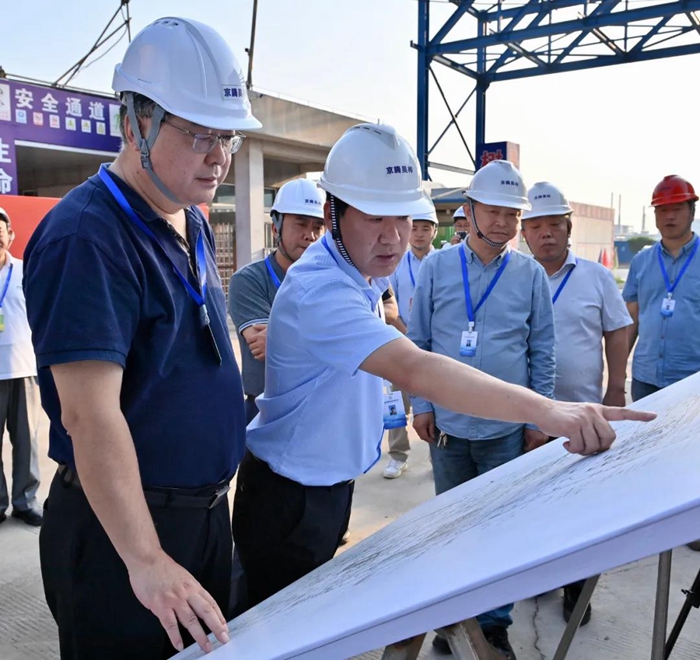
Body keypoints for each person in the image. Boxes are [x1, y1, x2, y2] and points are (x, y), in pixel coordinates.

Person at [230, 123, 654, 643]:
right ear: (332, 212)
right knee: (279, 637)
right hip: (290, 500)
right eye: (374, 216)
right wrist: (548, 410)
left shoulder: (357, 269)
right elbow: (417, 366)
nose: (392, 235)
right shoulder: (322, 290)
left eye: (402, 216)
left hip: (321, 487)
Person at [23, 17, 259, 659]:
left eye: (228, 137)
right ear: (134, 125)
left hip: (200, 518)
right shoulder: (88, 237)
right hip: (125, 535)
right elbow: (89, 415)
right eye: (200, 134)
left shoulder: (190, 220)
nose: (219, 156)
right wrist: (147, 559)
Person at [408, 160, 556, 659]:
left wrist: (538, 417)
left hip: (505, 432)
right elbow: (419, 342)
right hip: (447, 430)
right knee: (451, 529)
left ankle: (493, 625)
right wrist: (422, 404)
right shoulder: (437, 267)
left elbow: (542, 350)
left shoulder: (530, 275)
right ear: (469, 211)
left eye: (512, 214)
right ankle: (453, 620)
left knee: (499, 532)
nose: (503, 222)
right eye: (493, 211)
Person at [521, 181, 632, 625]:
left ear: (569, 229)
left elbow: (617, 330)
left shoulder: (595, 277)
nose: (546, 234)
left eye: (554, 225)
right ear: (524, 233)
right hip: (527, 414)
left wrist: (616, 387)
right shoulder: (514, 277)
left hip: (581, 416)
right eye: (536, 226)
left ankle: (576, 592)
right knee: (532, 503)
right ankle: (540, 573)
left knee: (580, 510)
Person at [623, 174, 700, 551]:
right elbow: (631, 319)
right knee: (648, 453)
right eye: (662, 210)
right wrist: (616, 376)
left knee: (692, 457)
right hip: (647, 377)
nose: (669, 216)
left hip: (691, 379)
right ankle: (651, 522)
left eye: (677, 208)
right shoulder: (641, 262)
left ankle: (692, 527)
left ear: (692, 210)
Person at [229, 178, 325, 423]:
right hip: (266, 411)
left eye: (318, 226)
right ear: (276, 228)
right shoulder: (249, 280)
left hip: (321, 407)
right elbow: (264, 347)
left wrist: (282, 336)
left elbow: (278, 343)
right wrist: (330, 337)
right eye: (300, 224)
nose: (310, 235)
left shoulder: (331, 279)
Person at [382, 204, 438, 478]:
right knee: (396, 404)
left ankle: (436, 454)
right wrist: (407, 335)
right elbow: (388, 305)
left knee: (437, 402)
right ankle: (397, 455)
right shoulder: (395, 262)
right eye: (414, 228)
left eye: (426, 228)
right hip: (400, 343)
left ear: (434, 231)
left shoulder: (442, 263)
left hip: (434, 347)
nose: (419, 234)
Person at [0, 207, 42, 527]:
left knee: (27, 442)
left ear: (11, 236)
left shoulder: (26, 272)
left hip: (23, 369)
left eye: (0, 233)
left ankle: (25, 502)